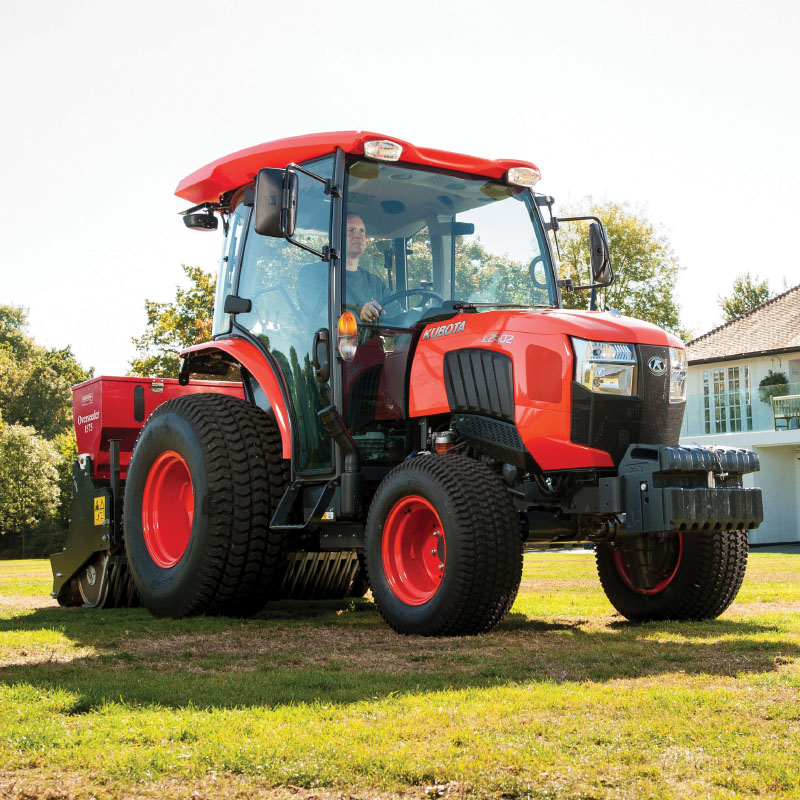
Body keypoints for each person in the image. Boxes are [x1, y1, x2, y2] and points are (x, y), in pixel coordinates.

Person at [344, 214, 387, 323]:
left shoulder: (376, 284)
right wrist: (359, 313)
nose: (358, 235)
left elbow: (397, 315)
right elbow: (325, 312)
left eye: (362, 231)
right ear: (336, 236)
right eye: (351, 230)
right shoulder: (315, 275)